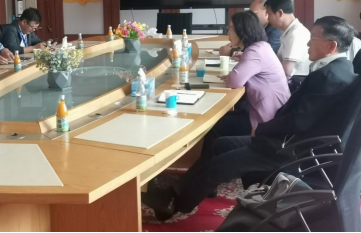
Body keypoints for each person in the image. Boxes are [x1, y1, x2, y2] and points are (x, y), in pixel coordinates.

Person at [142, 16, 357, 221]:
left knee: (219, 166)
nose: (308, 43)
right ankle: (177, 193)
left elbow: (299, 121)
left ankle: (174, 203)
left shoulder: (329, 77)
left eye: (313, 38)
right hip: (289, 141)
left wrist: (263, 129)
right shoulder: (341, 69)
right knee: (220, 144)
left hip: (289, 150)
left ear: (331, 46)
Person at [204, 11, 290, 154]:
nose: (228, 33)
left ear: (243, 31)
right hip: (272, 112)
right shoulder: (262, 46)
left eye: (231, 28)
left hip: (265, 119)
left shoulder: (254, 52)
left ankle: (209, 165)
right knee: (218, 119)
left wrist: (233, 73)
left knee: (214, 125)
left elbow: (234, 81)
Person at [265, 0, 311, 78]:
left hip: (295, 82)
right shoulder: (289, 31)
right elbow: (277, 60)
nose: (267, 18)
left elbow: (287, 70)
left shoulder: (295, 33)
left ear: (280, 13)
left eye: (269, 14)